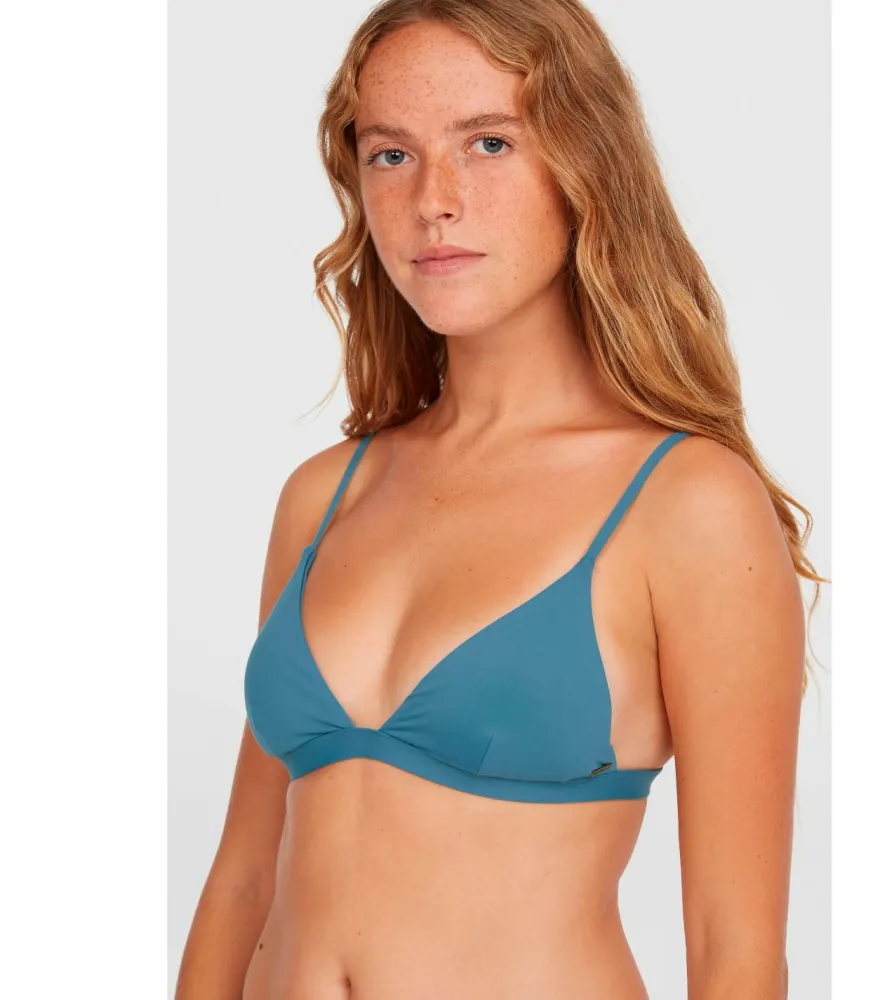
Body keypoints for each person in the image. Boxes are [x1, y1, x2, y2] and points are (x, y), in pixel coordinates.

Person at [176, 1, 821, 997]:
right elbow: (241, 881)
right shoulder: (325, 495)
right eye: (392, 154)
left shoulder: (686, 505)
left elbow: (733, 945)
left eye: (488, 143)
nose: (434, 200)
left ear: (584, 165)